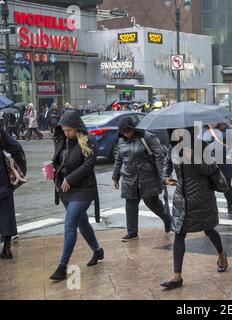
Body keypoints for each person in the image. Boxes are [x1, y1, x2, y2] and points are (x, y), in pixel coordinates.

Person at [160, 127, 228, 290]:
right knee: (179, 232)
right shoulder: (173, 148)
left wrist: (195, 157)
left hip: (201, 196)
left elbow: (212, 169)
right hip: (181, 197)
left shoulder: (201, 146)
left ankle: (221, 254)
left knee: (209, 229)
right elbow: (166, 163)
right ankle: (177, 275)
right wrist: (165, 177)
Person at [47, 110, 103, 281]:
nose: (66, 133)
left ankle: (62, 267)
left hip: (83, 190)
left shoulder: (88, 140)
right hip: (65, 190)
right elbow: (59, 162)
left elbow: (88, 165)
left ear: (77, 128)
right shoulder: (62, 140)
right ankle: (98, 251)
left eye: (69, 130)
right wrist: (52, 171)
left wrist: (69, 178)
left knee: (70, 224)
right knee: (82, 223)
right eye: (64, 130)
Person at [112, 117, 172, 241]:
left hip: (147, 177)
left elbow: (159, 155)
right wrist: (115, 177)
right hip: (129, 178)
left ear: (134, 128)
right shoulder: (121, 141)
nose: (126, 133)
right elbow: (119, 159)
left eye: (128, 130)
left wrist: (163, 176)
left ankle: (167, 218)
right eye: (123, 131)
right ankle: (132, 232)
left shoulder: (146, 137)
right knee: (130, 205)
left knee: (152, 203)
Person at [0, 128, 26, 259]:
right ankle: (6, 249)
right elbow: (16, 147)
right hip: (4, 182)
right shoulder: (2, 133)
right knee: (6, 216)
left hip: (3, 182)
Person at [202, 122, 232, 216]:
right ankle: (211, 209)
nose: (211, 123)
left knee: (227, 186)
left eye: (213, 121)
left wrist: (230, 154)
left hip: (224, 161)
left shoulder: (226, 130)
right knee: (208, 187)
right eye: (208, 121)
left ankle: (230, 205)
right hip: (209, 162)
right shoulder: (203, 131)